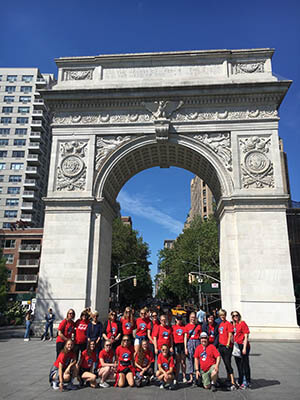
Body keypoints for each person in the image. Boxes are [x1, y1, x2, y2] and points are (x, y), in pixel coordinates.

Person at [231, 311, 251, 389]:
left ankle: (246, 381)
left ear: (239, 315)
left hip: (243, 345)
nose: (235, 317)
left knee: (244, 364)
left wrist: (244, 348)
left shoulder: (243, 323)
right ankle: (240, 380)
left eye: (236, 315)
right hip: (236, 345)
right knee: (238, 364)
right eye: (233, 316)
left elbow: (246, 336)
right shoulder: (234, 325)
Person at [218, 309, 236, 390]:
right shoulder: (221, 324)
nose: (222, 316)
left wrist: (228, 344)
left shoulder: (228, 324)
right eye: (221, 315)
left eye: (223, 315)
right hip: (221, 345)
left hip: (226, 346)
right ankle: (228, 377)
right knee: (225, 363)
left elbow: (230, 334)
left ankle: (233, 381)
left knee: (228, 363)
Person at [184, 311, 202, 384]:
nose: (193, 319)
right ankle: (191, 377)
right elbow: (185, 337)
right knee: (190, 360)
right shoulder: (187, 326)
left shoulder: (198, 326)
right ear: (189, 318)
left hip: (197, 342)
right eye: (191, 317)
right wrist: (185, 347)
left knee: (198, 359)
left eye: (194, 317)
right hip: (190, 342)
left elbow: (201, 336)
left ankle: (198, 376)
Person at [172, 315, 186, 384]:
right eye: (178, 319)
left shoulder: (184, 327)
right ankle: (176, 377)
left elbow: (185, 337)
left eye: (180, 319)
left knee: (183, 361)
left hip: (182, 344)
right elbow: (171, 338)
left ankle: (184, 377)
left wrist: (185, 347)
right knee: (177, 362)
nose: (179, 321)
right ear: (176, 320)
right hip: (176, 344)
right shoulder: (173, 327)